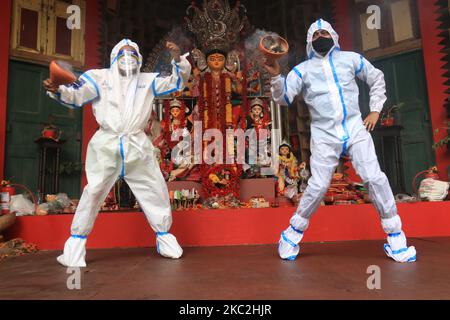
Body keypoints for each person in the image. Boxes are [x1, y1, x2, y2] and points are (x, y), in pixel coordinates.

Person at [264, 19, 416, 263]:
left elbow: (376, 78)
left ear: (333, 36)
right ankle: (291, 234)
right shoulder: (302, 70)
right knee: (318, 186)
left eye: (325, 33)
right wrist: (276, 77)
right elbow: (284, 98)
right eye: (316, 34)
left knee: (374, 178)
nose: (321, 37)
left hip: (355, 128)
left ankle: (396, 238)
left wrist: (375, 109)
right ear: (309, 41)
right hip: (324, 135)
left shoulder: (351, 59)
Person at [43, 39, 192, 267]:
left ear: (139, 58)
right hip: (106, 144)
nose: (128, 55)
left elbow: (176, 83)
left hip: (137, 145)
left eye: (133, 52)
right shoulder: (99, 78)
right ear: (114, 57)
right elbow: (78, 95)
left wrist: (178, 60)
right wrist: (58, 89)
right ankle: (74, 249)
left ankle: (165, 240)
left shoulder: (147, 80)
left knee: (155, 188)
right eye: (123, 52)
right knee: (93, 193)